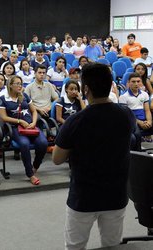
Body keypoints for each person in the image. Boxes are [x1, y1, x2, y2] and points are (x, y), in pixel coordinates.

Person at [52, 63, 136, 250]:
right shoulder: (126, 114)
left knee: (75, 246)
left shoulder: (75, 121)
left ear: (86, 89)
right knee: (112, 245)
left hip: (84, 196)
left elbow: (57, 158)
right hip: (116, 194)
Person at [0, 75, 48, 185]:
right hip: (16, 128)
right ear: (10, 85)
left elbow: (34, 111)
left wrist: (34, 122)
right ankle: (30, 174)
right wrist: (20, 122)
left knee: (44, 143)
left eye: (21, 83)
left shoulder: (24, 96)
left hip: (31, 126)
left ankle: (35, 166)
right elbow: (4, 117)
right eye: (17, 84)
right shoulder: (3, 98)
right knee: (24, 144)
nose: (20, 86)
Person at [119, 72, 153, 141]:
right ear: (128, 82)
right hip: (132, 121)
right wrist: (140, 122)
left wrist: (149, 121)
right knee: (137, 134)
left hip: (144, 119)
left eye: (138, 81)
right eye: (133, 82)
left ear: (141, 82)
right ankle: (138, 151)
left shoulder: (144, 94)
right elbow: (127, 115)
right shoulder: (123, 97)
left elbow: (147, 110)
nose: (136, 84)